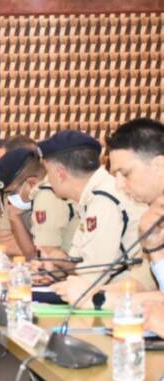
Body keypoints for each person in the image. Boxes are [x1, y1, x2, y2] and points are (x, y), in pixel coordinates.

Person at [54, 119, 164, 317]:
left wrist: (100, 300)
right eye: (115, 175)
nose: (119, 184)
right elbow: (145, 281)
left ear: (159, 165)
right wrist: (94, 293)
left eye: (125, 174)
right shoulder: (154, 214)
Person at [32, 130, 147, 295]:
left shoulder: (103, 200)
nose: (47, 179)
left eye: (47, 172)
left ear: (60, 174)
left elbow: (91, 279)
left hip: (120, 299)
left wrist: (58, 279)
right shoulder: (94, 195)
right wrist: (57, 265)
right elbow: (84, 264)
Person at [0, 147, 78, 260]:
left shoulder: (46, 196)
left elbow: (38, 256)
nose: (10, 199)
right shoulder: (43, 194)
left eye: (12, 192)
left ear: (31, 183)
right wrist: (14, 216)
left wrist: (14, 217)